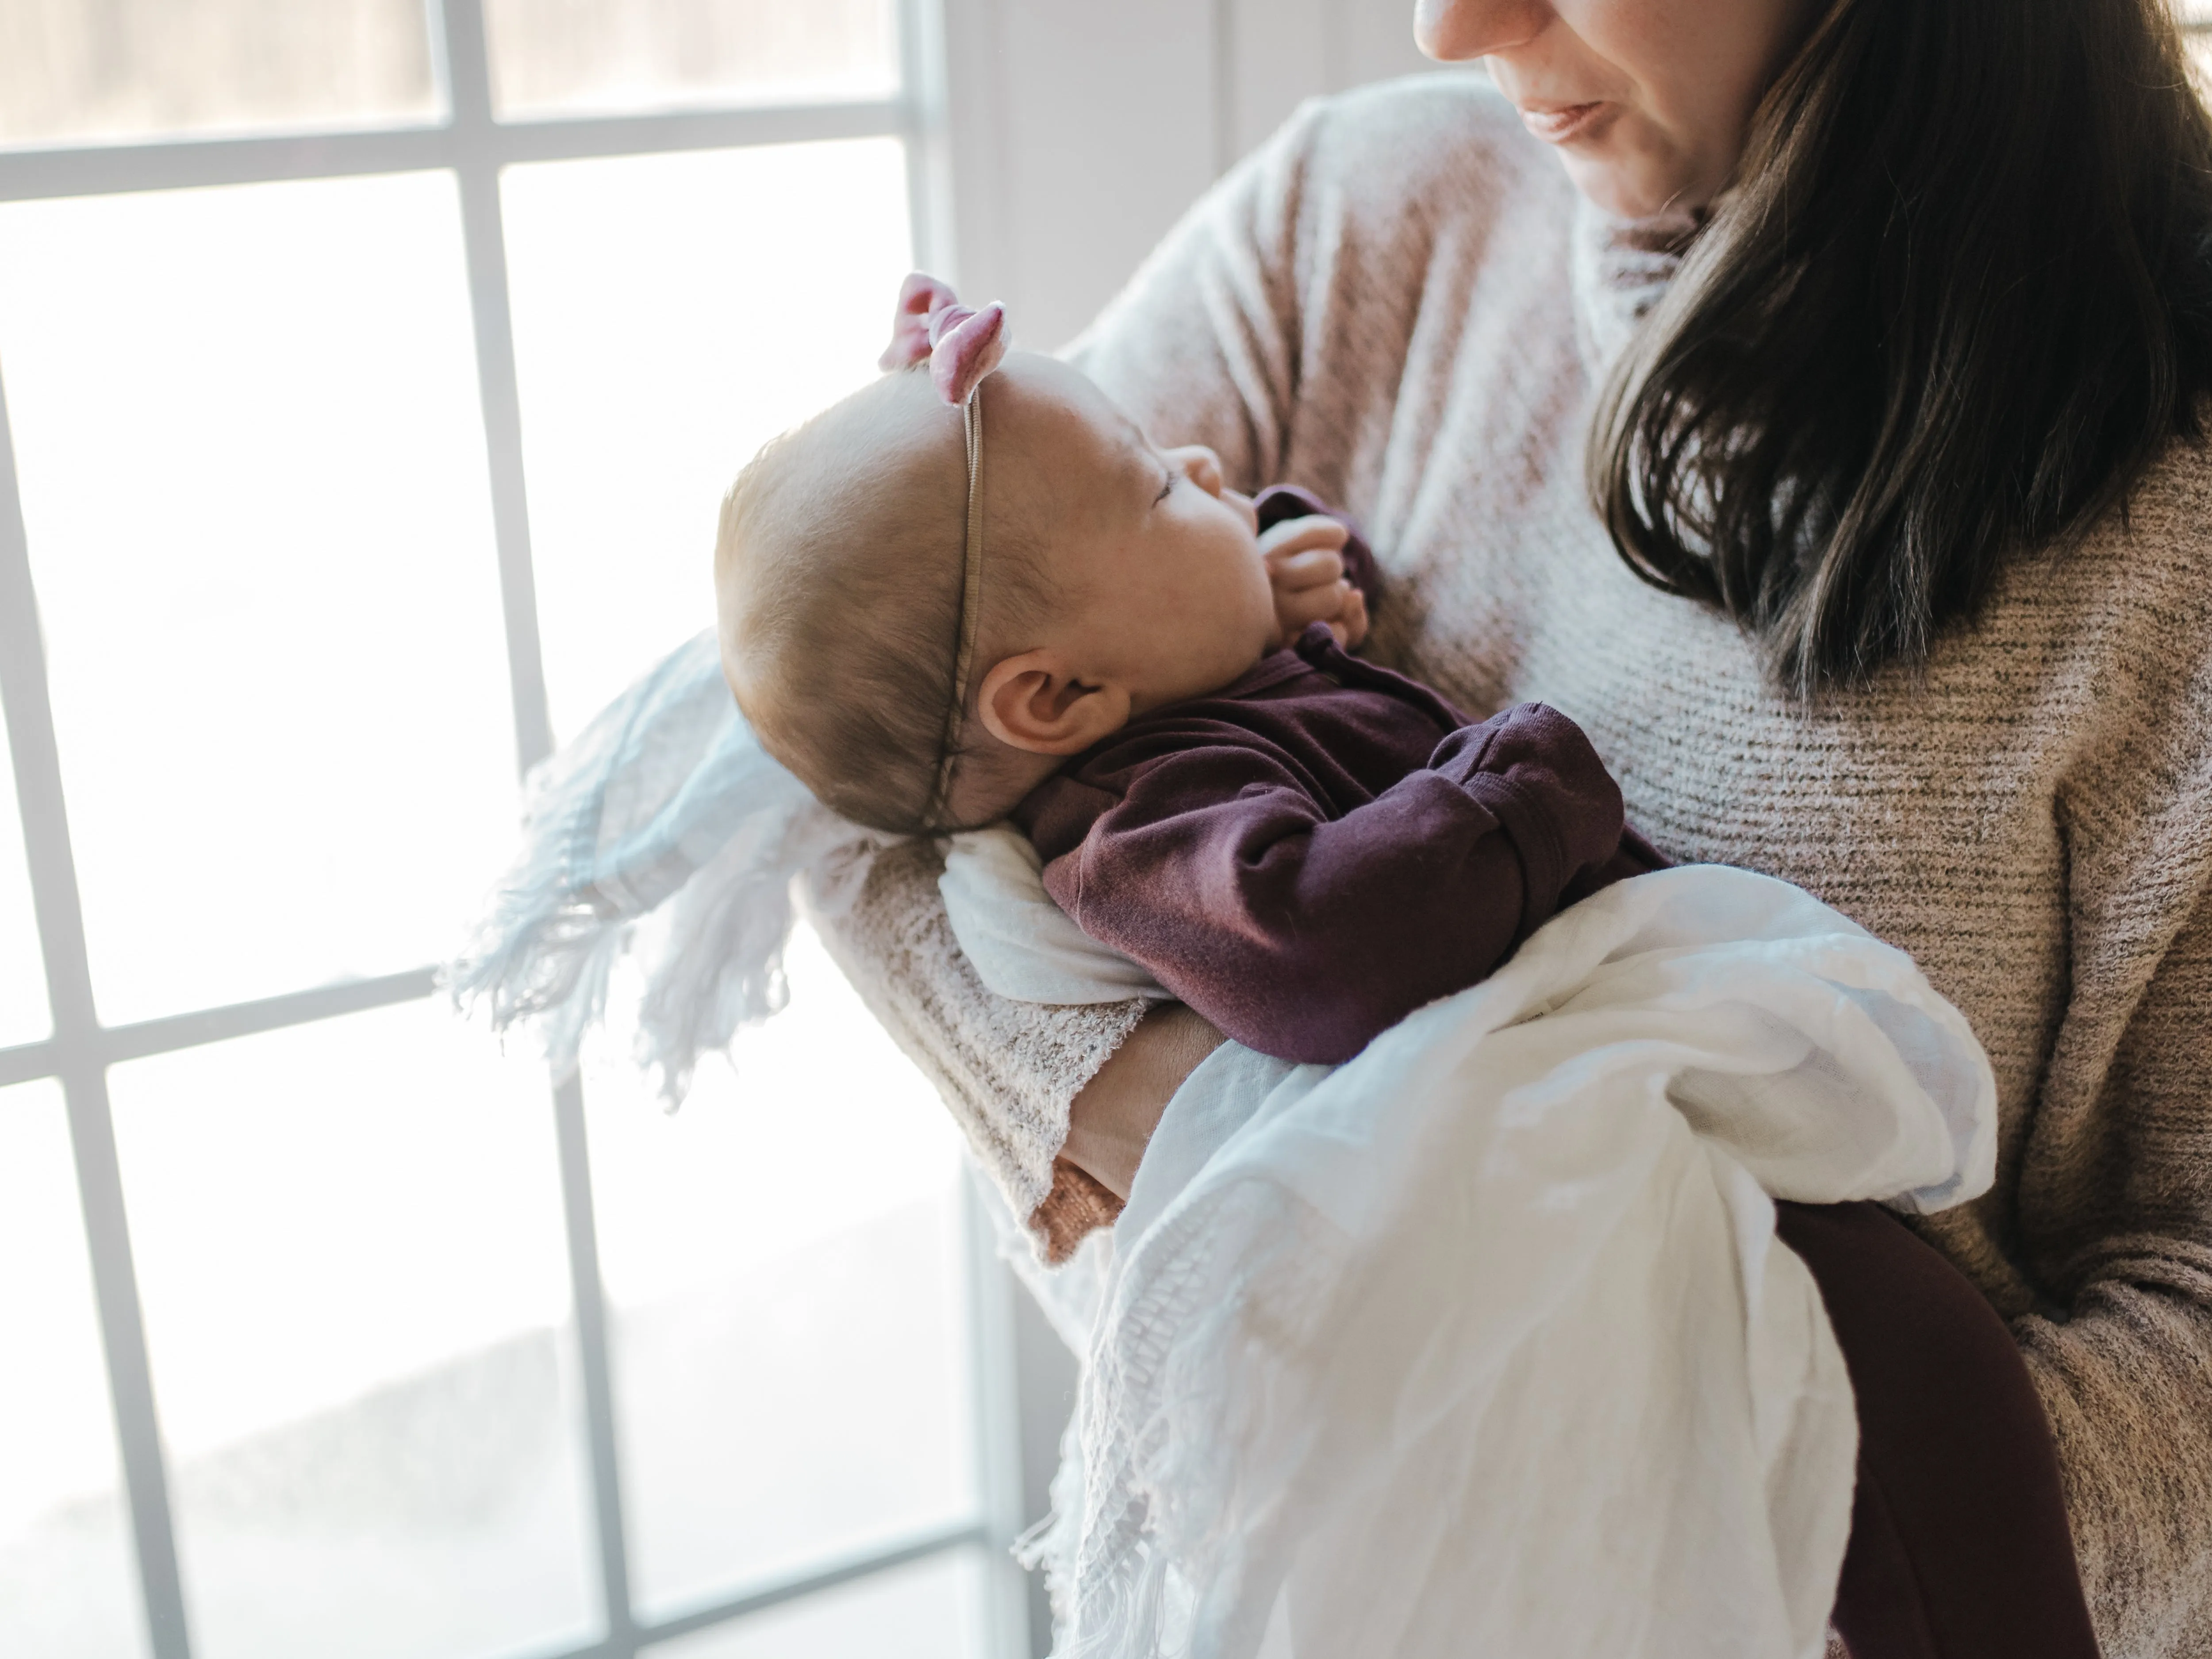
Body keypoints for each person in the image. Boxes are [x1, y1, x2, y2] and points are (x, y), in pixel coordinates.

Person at [802, 2, 2212, 1652]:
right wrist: (1168, 1121)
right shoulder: (1360, 215)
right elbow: (846, 736)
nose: (1447, 23)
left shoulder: (2171, 520)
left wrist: (1656, 1557)